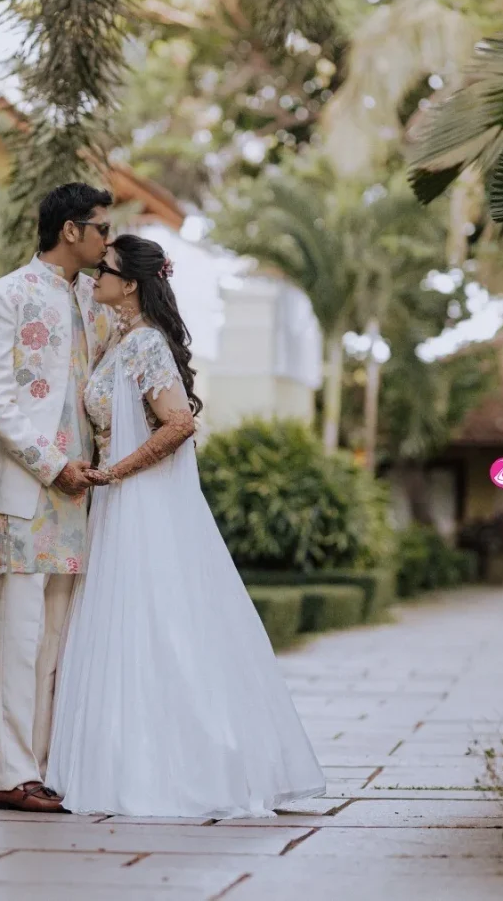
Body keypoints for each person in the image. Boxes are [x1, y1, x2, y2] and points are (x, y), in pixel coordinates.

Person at [45, 234, 326, 818]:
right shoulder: (120, 342)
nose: (97, 276)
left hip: (143, 503)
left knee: (160, 624)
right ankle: (126, 758)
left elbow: (178, 425)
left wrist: (115, 471)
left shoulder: (146, 344)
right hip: (117, 504)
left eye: (107, 269)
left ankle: (189, 764)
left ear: (131, 285)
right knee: (130, 628)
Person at [0, 182, 116, 813]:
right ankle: (11, 775)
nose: (107, 241)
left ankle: (44, 769)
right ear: (70, 231)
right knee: (21, 637)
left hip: (79, 497)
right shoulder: (9, 294)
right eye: (101, 230)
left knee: (57, 640)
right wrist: (53, 464)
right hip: (25, 492)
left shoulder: (95, 300)